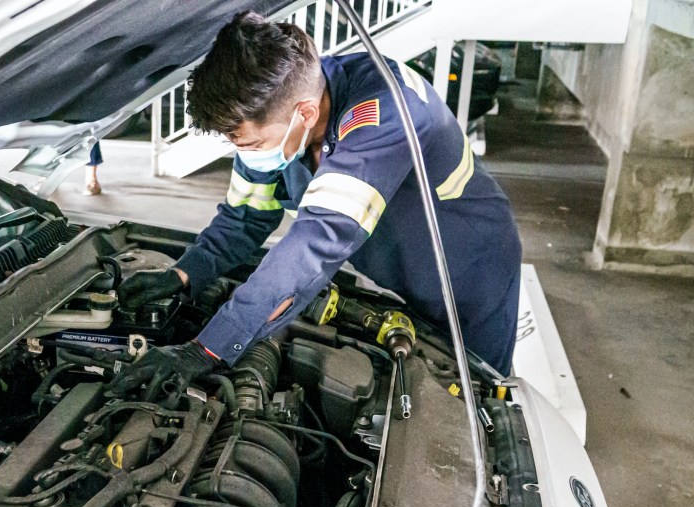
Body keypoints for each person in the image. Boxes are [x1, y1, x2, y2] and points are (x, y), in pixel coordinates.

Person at [111, 12, 521, 395]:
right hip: (396, 266)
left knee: (469, 392)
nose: (247, 154)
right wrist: (185, 274)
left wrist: (207, 349)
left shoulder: (385, 114)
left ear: (304, 113)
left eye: (251, 143)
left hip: (469, 273)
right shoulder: (281, 116)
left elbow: (315, 242)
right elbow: (244, 218)